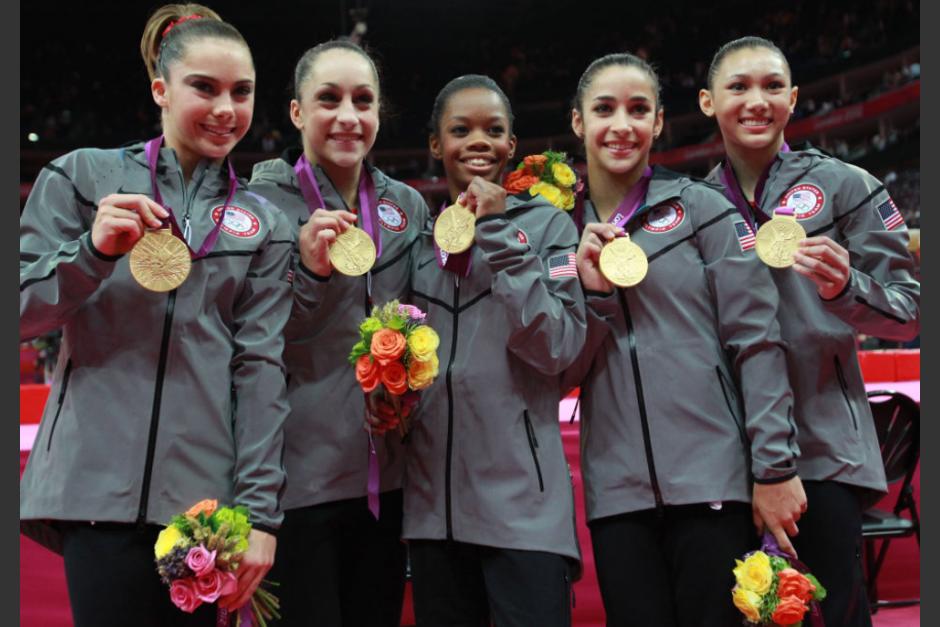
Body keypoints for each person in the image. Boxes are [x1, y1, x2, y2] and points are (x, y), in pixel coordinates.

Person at [19, 4, 292, 626]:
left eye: (241, 92)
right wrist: (91, 253)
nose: (226, 109)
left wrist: (259, 514)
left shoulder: (264, 222)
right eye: (205, 87)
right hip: (95, 494)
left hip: (204, 507)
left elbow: (261, 370)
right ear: (160, 89)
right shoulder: (82, 176)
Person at [563, 52, 805, 627]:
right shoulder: (556, 228)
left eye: (637, 109)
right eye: (604, 109)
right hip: (617, 494)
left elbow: (757, 340)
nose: (621, 125)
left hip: (713, 480)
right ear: (578, 122)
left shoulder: (702, 208)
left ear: (658, 122)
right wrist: (593, 296)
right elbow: (557, 366)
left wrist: (772, 468)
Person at [699, 36, 921, 626]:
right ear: (706, 102)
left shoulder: (845, 185)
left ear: (794, 98)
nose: (756, 100)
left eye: (772, 86)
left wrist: (846, 288)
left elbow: (911, 313)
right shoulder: (694, 206)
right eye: (738, 87)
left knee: (834, 615)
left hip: (823, 451)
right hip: (723, 460)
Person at [391, 74, 586, 627]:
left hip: (524, 516)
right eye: (461, 129)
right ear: (436, 144)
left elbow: (557, 347)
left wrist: (498, 231)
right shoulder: (421, 244)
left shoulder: (549, 228)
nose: (478, 141)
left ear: (511, 145)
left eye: (493, 130)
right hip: (434, 518)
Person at [248, 39, 430, 627]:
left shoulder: (407, 206)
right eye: (329, 99)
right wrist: (307, 270)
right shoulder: (257, 207)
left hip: (386, 479)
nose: (349, 116)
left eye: (363, 100)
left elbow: (418, 326)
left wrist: (406, 392)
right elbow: (250, 343)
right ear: (297, 112)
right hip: (294, 484)